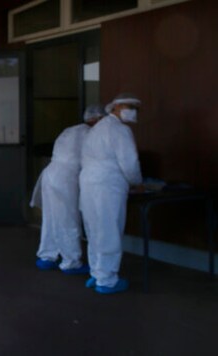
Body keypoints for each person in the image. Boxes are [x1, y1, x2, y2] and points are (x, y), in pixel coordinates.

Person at [79, 93, 143, 294]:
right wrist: (137, 183)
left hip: (88, 182)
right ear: (113, 107)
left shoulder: (97, 128)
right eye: (127, 106)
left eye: (135, 108)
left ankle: (97, 272)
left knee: (95, 229)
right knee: (109, 230)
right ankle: (107, 281)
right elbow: (130, 162)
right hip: (108, 185)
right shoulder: (120, 130)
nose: (132, 111)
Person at [30, 104, 104, 274]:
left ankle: (47, 256)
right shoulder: (90, 134)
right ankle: (71, 262)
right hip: (66, 178)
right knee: (68, 219)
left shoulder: (70, 130)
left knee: (51, 218)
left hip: (50, 173)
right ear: (97, 119)